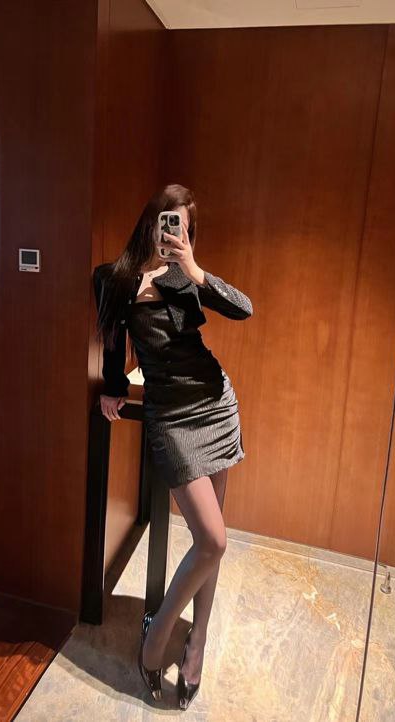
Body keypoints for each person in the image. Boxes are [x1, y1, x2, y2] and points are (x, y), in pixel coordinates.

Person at [92, 183, 253, 709]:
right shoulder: (113, 279)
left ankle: (195, 640)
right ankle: (157, 635)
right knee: (214, 539)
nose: (172, 231)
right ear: (150, 220)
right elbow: (112, 343)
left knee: (211, 540)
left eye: (182, 225)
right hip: (171, 417)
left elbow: (244, 309)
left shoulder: (187, 277)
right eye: (167, 220)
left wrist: (195, 269)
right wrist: (113, 386)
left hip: (215, 404)